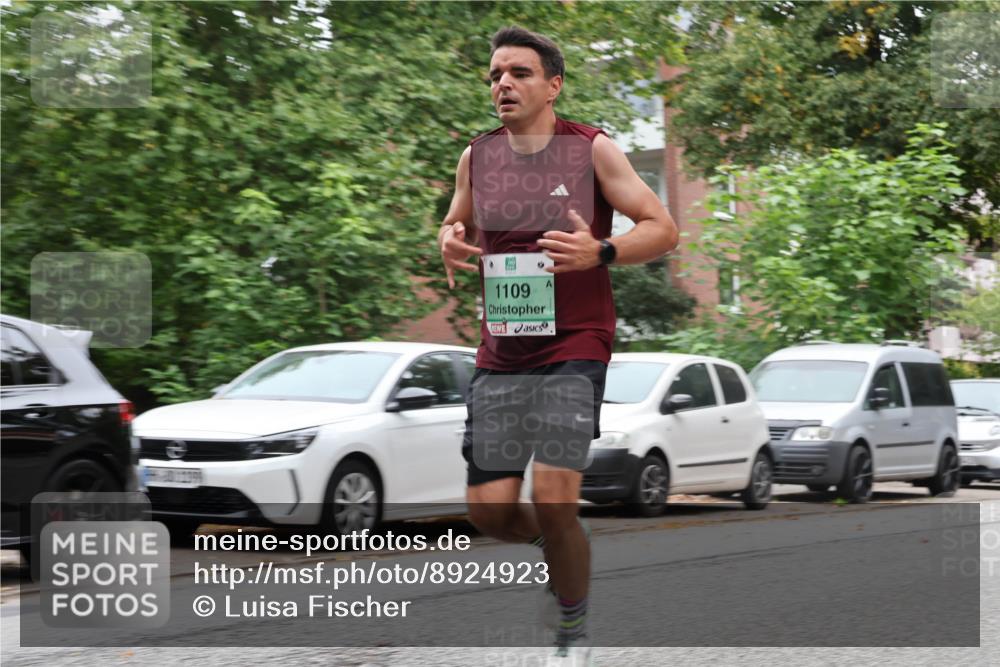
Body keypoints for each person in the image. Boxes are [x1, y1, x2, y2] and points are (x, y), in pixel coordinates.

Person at [437, 26, 678, 666]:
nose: (503, 84)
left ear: (553, 85)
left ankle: (571, 629)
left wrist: (601, 250)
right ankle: (560, 543)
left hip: (576, 340)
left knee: (552, 494)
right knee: (488, 512)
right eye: (494, 75)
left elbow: (663, 228)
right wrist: (450, 239)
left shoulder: (592, 150)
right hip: (504, 348)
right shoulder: (476, 156)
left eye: (518, 72)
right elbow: (456, 218)